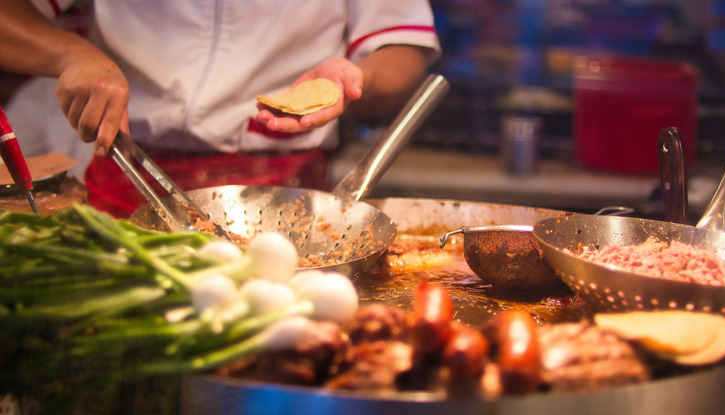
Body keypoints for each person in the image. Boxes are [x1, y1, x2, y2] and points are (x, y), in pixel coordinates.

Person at [0, 0, 441, 217]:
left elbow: (402, 49)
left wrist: (353, 78)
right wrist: (69, 54)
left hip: (282, 197)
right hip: (130, 174)